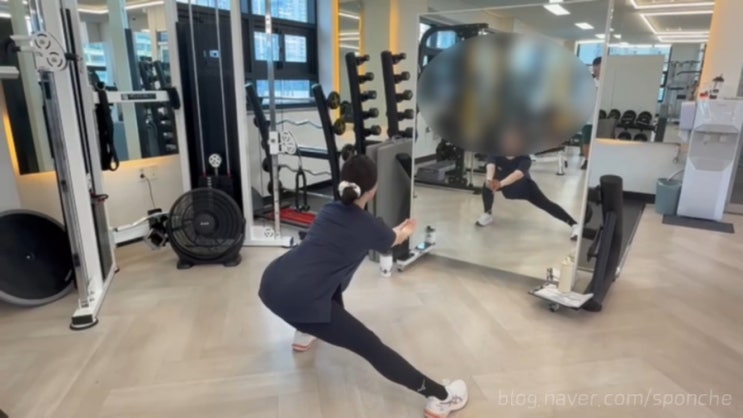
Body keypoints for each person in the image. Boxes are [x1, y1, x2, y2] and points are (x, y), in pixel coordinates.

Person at [259, 154, 468, 418]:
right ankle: (441, 397)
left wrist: (390, 232)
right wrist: (406, 229)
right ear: (373, 189)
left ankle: (303, 332)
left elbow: (373, 235)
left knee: (330, 276)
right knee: (371, 346)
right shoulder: (370, 226)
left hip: (271, 283)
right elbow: (393, 238)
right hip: (302, 301)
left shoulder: (328, 211)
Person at [475, 129, 580, 240]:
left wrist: (500, 184)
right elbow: (490, 165)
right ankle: (487, 214)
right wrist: (489, 181)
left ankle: (575, 224)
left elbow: (517, 175)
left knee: (546, 204)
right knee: (487, 185)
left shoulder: (525, 159)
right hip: (502, 184)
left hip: (523, 187)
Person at [581, 56, 602, 170]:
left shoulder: (606, 83)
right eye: (595, 68)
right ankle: (587, 160)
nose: (596, 70)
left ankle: (598, 161)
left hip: (601, 118)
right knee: (586, 141)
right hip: (588, 118)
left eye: (598, 68)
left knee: (601, 142)